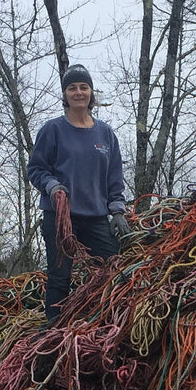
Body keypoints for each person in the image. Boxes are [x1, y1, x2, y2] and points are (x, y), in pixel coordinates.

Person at [26, 63, 129, 323]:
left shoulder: (105, 133)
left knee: (112, 270)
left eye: (84, 87)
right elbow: (36, 169)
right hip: (61, 219)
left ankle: (106, 324)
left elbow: (114, 177)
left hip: (95, 218)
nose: (79, 92)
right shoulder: (53, 130)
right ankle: (53, 333)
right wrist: (52, 187)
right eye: (72, 88)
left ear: (91, 93)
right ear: (65, 95)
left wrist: (117, 210)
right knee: (60, 277)